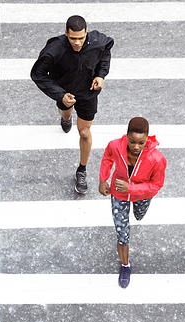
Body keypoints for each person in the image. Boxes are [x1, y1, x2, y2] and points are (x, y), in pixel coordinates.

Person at [31, 15, 114, 194]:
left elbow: (106, 51)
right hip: (65, 93)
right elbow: (38, 74)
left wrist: (101, 75)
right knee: (66, 113)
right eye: (73, 38)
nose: (77, 43)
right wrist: (60, 95)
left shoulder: (98, 41)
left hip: (88, 93)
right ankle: (66, 117)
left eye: (81, 38)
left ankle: (82, 170)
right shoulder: (54, 49)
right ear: (65, 33)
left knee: (84, 132)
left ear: (86, 33)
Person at [98, 117, 166, 288]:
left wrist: (131, 189)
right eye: (132, 141)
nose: (136, 147)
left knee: (139, 215)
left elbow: (156, 185)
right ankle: (125, 265)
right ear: (126, 136)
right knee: (122, 233)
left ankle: (138, 211)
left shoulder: (157, 159)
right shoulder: (115, 145)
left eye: (141, 142)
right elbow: (107, 157)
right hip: (118, 194)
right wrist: (103, 179)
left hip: (141, 196)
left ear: (147, 139)